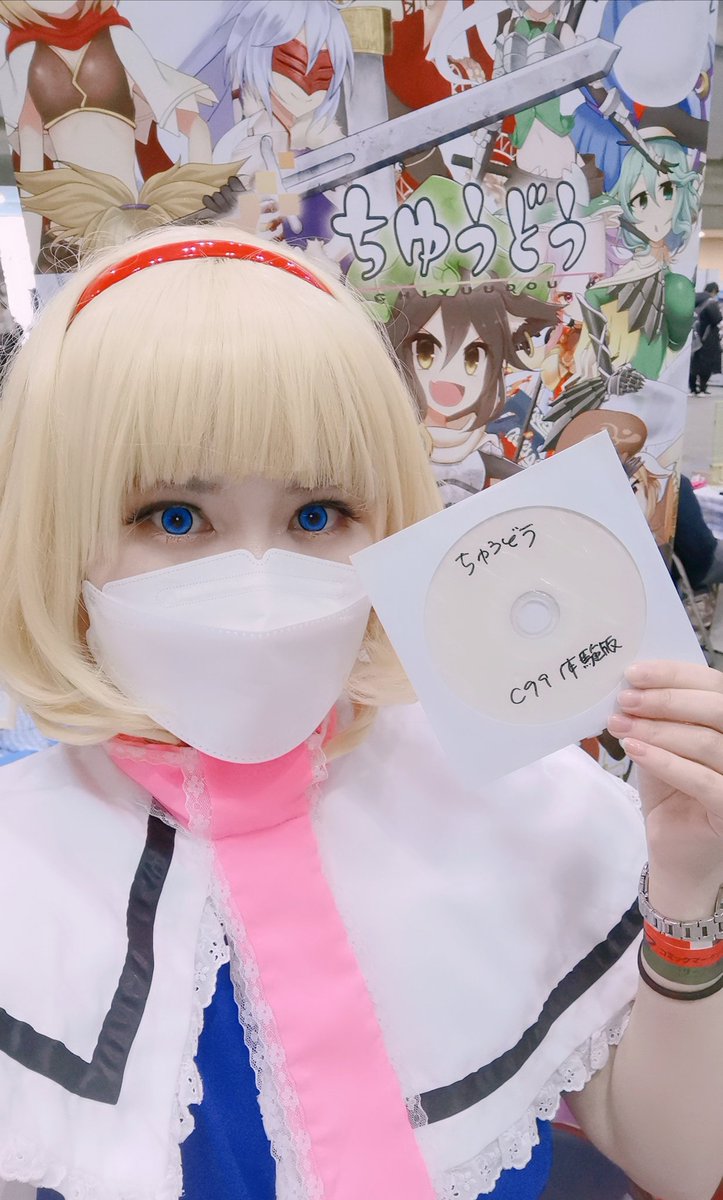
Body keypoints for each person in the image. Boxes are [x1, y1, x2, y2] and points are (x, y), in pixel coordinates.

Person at [0, 227, 722, 1200]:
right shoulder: (20, 861)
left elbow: (680, 1162)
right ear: (59, 534)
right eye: (174, 517)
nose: (258, 583)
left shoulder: (517, 803)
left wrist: (688, 886)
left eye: (317, 515)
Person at [689, 282, 721, 395]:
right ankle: (702, 388)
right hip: (708, 338)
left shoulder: (694, 298)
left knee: (693, 362)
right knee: (706, 363)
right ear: (714, 291)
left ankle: (692, 388)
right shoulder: (710, 302)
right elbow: (717, 318)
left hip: (694, 335)